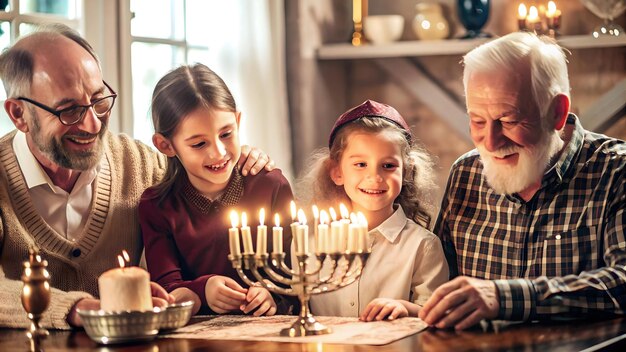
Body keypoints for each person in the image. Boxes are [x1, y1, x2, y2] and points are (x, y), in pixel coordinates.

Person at [0, 24, 272, 329]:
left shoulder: (142, 166)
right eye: (69, 110)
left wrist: (241, 164)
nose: (92, 124)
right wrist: (81, 308)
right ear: (18, 114)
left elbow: (204, 167)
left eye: (99, 100)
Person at [419, 32, 626, 330]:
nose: (490, 142)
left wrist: (507, 298)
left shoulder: (616, 170)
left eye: (509, 120)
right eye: (477, 120)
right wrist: (416, 308)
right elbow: (440, 281)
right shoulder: (465, 174)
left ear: (557, 112)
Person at [139, 63, 294, 317]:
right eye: (199, 143)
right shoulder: (157, 206)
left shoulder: (271, 186)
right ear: (165, 145)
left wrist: (273, 296)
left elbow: (296, 277)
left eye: (226, 134)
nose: (219, 153)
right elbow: (166, 291)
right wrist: (203, 290)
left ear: (238, 120)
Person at [297, 100, 449, 320]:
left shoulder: (423, 246)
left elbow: (436, 312)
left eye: (388, 166)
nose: (375, 178)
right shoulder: (308, 240)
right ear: (337, 172)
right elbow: (293, 305)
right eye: (360, 164)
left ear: (406, 172)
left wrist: (406, 308)